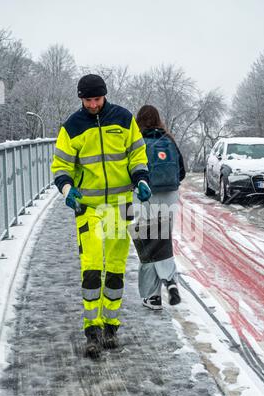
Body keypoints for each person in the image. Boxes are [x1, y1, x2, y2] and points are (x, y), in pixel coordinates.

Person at [51, 74, 151, 358]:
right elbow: (60, 165)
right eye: (87, 100)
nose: (93, 104)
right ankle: (92, 329)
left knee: (117, 266)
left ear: (104, 96)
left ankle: (111, 325)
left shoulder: (123, 119)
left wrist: (141, 179)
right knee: (92, 266)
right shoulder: (72, 127)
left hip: (121, 205)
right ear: (81, 99)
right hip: (88, 207)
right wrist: (67, 189)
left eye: (96, 99)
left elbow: (137, 154)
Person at [135, 105, 186, 310]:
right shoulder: (169, 140)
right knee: (162, 240)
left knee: (148, 247)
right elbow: (181, 172)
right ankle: (170, 280)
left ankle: (153, 297)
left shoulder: (137, 142)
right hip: (170, 196)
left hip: (146, 196)